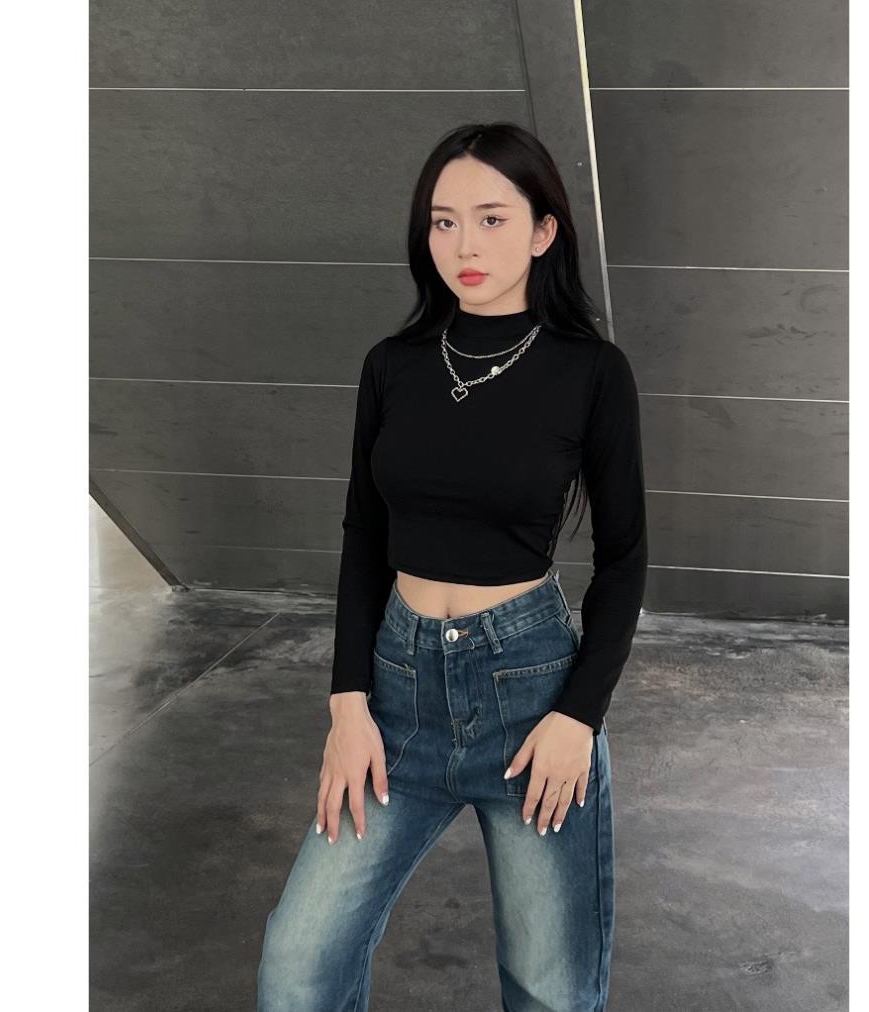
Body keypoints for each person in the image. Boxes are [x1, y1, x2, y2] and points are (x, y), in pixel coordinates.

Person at [257, 121, 648, 1011]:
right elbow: (365, 535)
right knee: (298, 965)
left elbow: (624, 557)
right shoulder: (392, 366)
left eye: (491, 219)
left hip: (531, 695)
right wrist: (347, 705)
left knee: (549, 989)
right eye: (443, 222)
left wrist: (578, 717)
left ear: (544, 231)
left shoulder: (592, 372)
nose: (464, 245)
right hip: (397, 694)